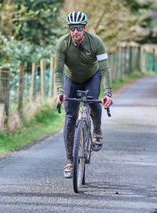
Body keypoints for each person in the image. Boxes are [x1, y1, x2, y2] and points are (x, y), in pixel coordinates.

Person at [55, 11, 113, 178]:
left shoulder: (96, 42)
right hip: (71, 79)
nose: (76, 31)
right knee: (70, 117)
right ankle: (70, 161)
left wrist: (108, 93)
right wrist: (60, 91)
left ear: (85, 28)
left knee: (93, 100)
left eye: (79, 28)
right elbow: (58, 70)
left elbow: (105, 69)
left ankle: (97, 132)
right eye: (72, 28)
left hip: (92, 77)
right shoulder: (62, 44)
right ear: (69, 29)